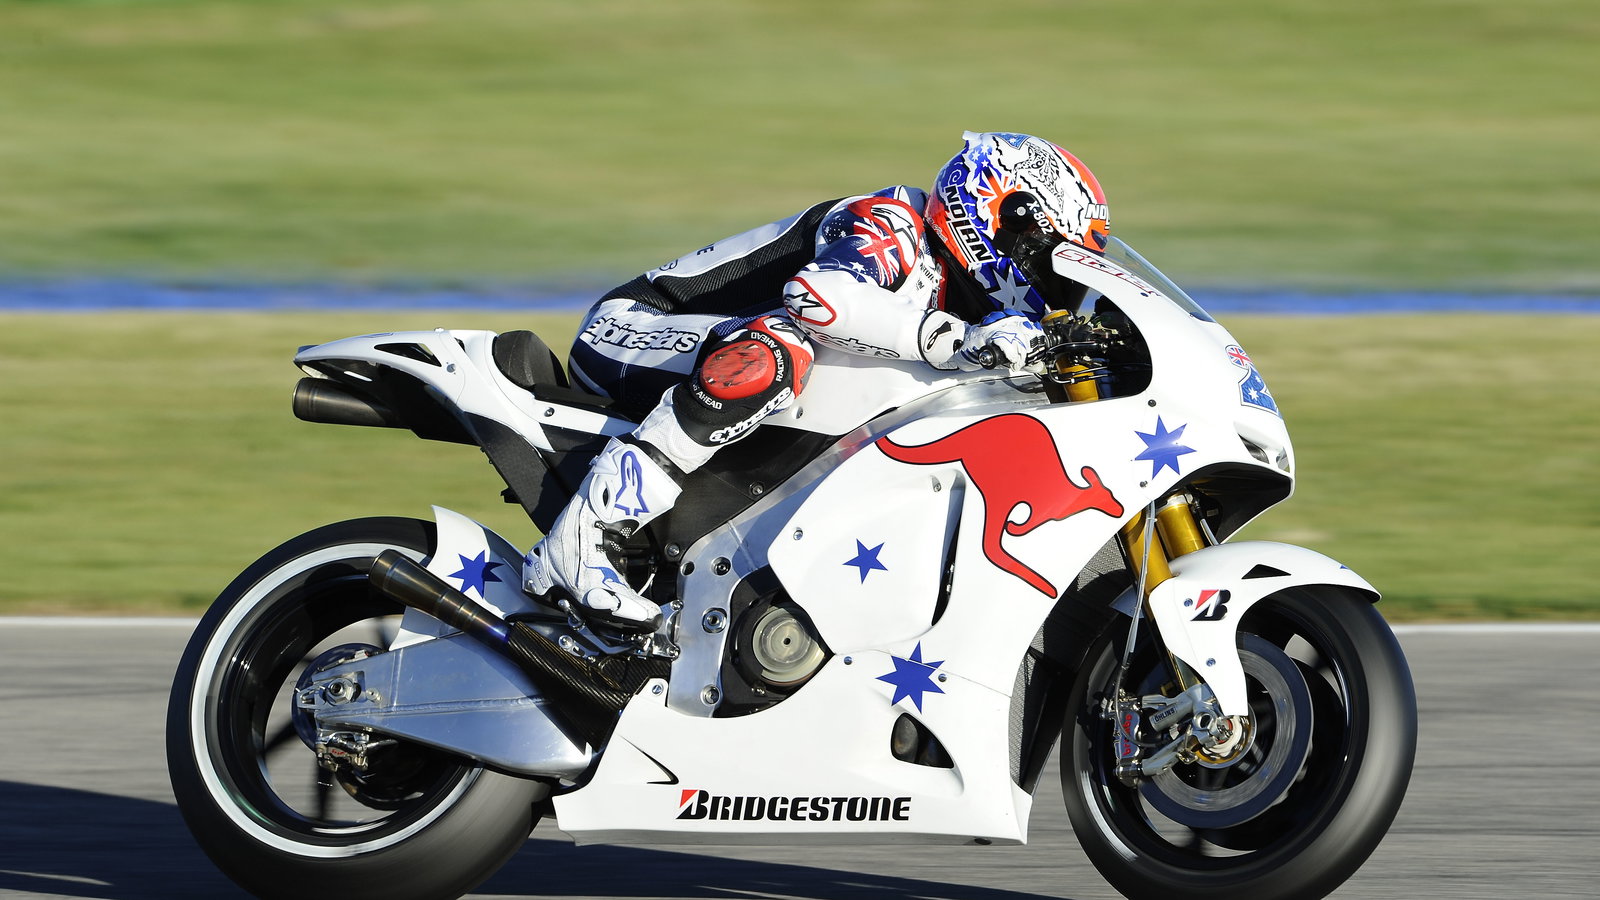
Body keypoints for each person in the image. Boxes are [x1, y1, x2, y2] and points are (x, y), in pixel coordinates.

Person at [522, 131, 1111, 633]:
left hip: (700, 352)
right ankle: (587, 532)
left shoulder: (969, 299)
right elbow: (817, 299)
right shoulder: (892, 224)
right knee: (779, 347)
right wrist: (955, 341)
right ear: (996, 212)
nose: (1047, 278)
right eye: (1042, 252)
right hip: (632, 331)